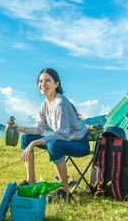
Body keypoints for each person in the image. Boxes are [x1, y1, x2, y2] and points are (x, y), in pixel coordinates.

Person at [6, 68, 90, 201]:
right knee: (26, 138)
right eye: (40, 81)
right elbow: (39, 128)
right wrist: (19, 128)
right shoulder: (44, 104)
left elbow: (62, 132)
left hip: (79, 144)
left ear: (56, 84)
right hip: (63, 141)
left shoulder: (60, 102)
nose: (43, 84)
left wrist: (35, 143)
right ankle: (31, 181)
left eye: (47, 80)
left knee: (53, 144)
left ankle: (64, 190)